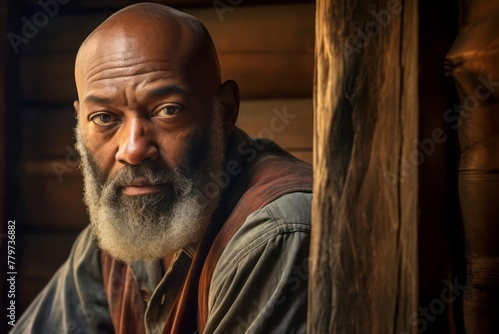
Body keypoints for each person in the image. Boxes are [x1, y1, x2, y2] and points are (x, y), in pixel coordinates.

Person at [12, 3, 312, 333]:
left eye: (167, 110)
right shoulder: (117, 234)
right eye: (104, 118)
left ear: (223, 111)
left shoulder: (276, 233)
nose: (133, 149)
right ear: (80, 123)